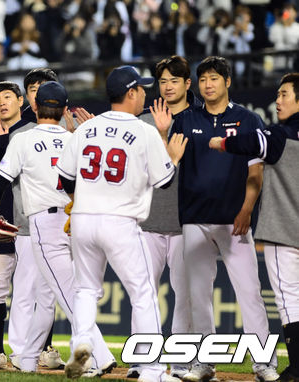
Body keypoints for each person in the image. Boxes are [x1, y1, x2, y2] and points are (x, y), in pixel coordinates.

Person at [55, 65, 187, 382]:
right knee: (142, 294)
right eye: (141, 88)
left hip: (84, 219)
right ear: (131, 93)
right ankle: (153, 371)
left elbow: (64, 177)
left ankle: (82, 344)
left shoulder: (86, 129)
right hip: (120, 221)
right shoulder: (144, 131)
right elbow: (166, 181)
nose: (144, 92)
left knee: (86, 290)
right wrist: (172, 155)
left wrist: (84, 200)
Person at [0, 81, 116, 375]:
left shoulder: (24, 139)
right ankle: (28, 358)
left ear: (36, 107)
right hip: (78, 219)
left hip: (46, 223)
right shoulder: (75, 138)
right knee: (47, 296)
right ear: (65, 109)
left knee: (67, 294)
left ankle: (101, 357)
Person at [168, 56, 279, 382]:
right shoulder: (186, 120)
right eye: (203, 79)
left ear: (228, 82)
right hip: (194, 218)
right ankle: (204, 363)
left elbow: (255, 172)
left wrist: (246, 209)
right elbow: (169, 164)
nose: (208, 84)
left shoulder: (249, 119)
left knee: (250, 293)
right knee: (198, 296)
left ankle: (264, 364)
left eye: (214, 78)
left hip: (235, 220)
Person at [208, 72, 299, 382]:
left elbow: (249, 142)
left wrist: (220, 141)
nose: (278, 99)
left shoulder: (280, 135)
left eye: (285, 94)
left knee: (289, 299)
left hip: (282, 230)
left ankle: (298, 366)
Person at [128, 55, 202, 379]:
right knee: (142, 292)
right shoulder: (143, 122)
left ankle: (181, 361)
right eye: (162, 81)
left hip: (185, 222)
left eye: (174, 80)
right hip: (148, 221)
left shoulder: (200, 119)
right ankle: (141, 359)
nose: (168, 86)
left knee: (184, 296)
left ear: (188, 83)